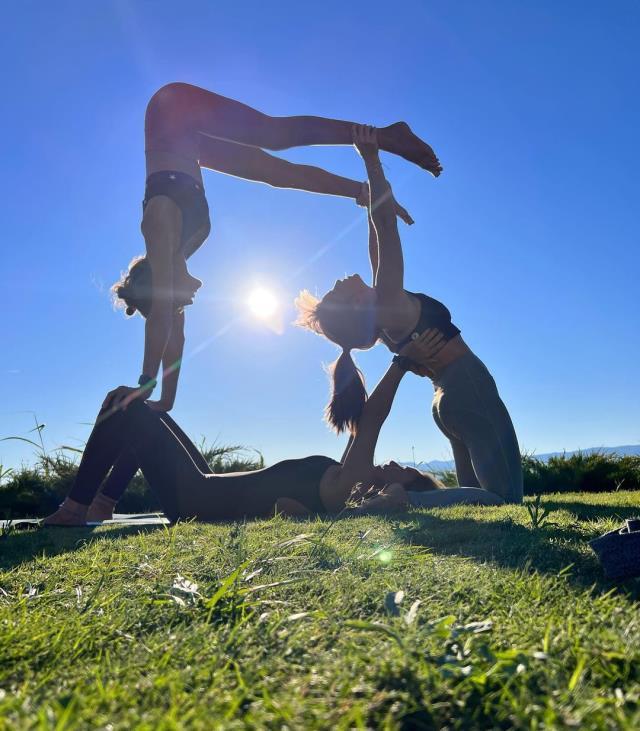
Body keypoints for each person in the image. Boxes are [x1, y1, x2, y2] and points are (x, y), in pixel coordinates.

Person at [106, 84, 442, 416]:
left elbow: (163, 313)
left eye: (173, 298)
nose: (189, 299)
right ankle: (360, 191)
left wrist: (145, 384)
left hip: (171, 111)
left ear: (158, 280)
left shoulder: (157, 224)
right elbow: (173, 335)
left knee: (273, 134)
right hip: (190, 143)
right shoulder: (178, 254)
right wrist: (166, 401)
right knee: (276, 173)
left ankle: (385, 136)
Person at [296, 125, 523, 505]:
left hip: (445, 399)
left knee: (476, 503)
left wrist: (372, 202)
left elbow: (377, 245)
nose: (338, 279)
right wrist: (372, 161)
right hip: (467, 386)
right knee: (504, 500)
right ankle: (404, 501)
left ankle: (406, 500)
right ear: (352, 305)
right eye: (335, 290)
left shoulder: (384, 317)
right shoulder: (386, 304)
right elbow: (386, 230)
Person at [44, 332, 450, 526]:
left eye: (407, 472)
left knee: (122, 400)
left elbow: (373, 420)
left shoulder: (355, 486)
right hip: (206, 485)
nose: (399, 463)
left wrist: (400, 364)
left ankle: (76, 508)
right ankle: (103, 504)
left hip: (194, 500)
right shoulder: (351, 481)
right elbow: (365, 424)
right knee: (153, 413)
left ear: (402, 488)